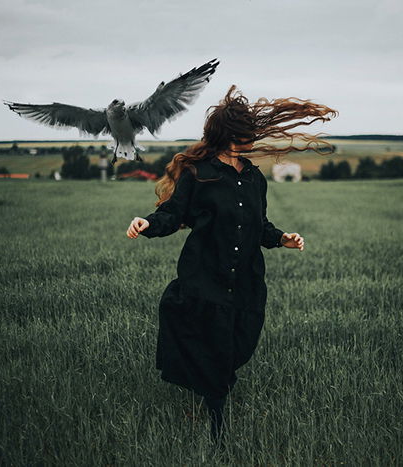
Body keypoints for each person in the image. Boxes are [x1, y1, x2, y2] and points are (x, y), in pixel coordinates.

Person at [126, 85, 336, 449]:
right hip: (206, 277)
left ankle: (212, 385)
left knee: (239, 345)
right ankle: (217, 426)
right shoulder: (199, 174)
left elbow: (259, 225)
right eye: (242, 135)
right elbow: (172, 215)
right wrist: (147, 224)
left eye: (250, 134)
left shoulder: (254, 178)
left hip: (247, 281)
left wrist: (282, 238)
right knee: (217, 353)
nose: (249, 141)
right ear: (227, 134)